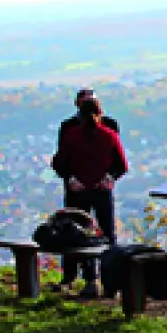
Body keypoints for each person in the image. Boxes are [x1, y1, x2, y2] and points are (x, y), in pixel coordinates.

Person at [50, 96, 129, 297]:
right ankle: (112, 283)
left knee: (77, 236)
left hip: (78, 193)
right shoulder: (110, 135)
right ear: (100, 112)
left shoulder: (71, 135)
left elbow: (59, 162)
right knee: (108, 235)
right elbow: (122, 164)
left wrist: (71, 178)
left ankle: (89, 280)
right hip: (102, 191)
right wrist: (109, 177)